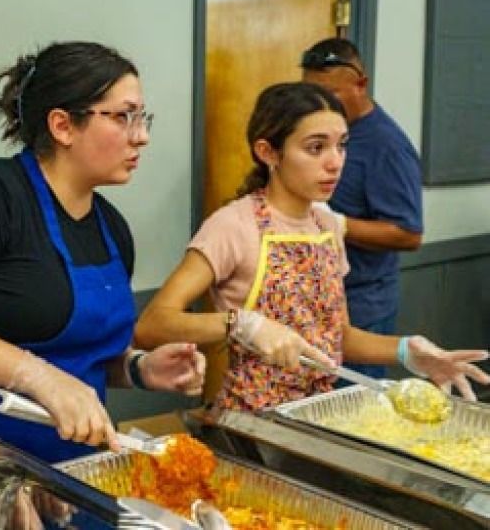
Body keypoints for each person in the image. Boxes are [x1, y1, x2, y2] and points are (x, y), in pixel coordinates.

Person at [0, 41, 207, 528]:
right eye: (124, 117)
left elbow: (79, 355)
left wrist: (139, 369)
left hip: (62, 482)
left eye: (143, 118)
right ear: (63, 125)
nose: (142, 138)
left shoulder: (112, 229)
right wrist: (36, 376)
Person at [134, 82, 488, 413]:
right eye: (315, 148)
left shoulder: (327, 225)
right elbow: (153, 324)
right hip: (252, 422)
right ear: (268, 152)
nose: (335, 162)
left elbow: (338, 337)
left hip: (318, 415)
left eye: (342, 145)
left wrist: (405, 351)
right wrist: (240, 324)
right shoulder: (232, 226)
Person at [301, 37, 423, 379]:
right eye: (312, 94)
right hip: (315, 299)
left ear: (361, 85)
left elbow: (410, 234)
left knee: (350, 408)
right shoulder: (313, 132)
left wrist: (338, 224)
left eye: (332, 94)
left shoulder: (387, 147)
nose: (320, 104)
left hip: (362, 304)